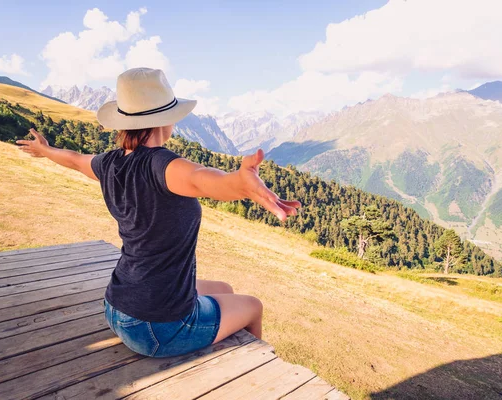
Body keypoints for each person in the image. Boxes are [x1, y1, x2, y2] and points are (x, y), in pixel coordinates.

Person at [16, 67, 301, 358]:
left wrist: (46, 151)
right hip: (156, 327)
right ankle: (257, 370)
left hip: (117, 306)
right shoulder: (161, 165)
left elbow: (76, 161)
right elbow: (202, 178)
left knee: (224, 288)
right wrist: (238, 183)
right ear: (166, 119)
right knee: (253, 306)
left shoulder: (111, 163)